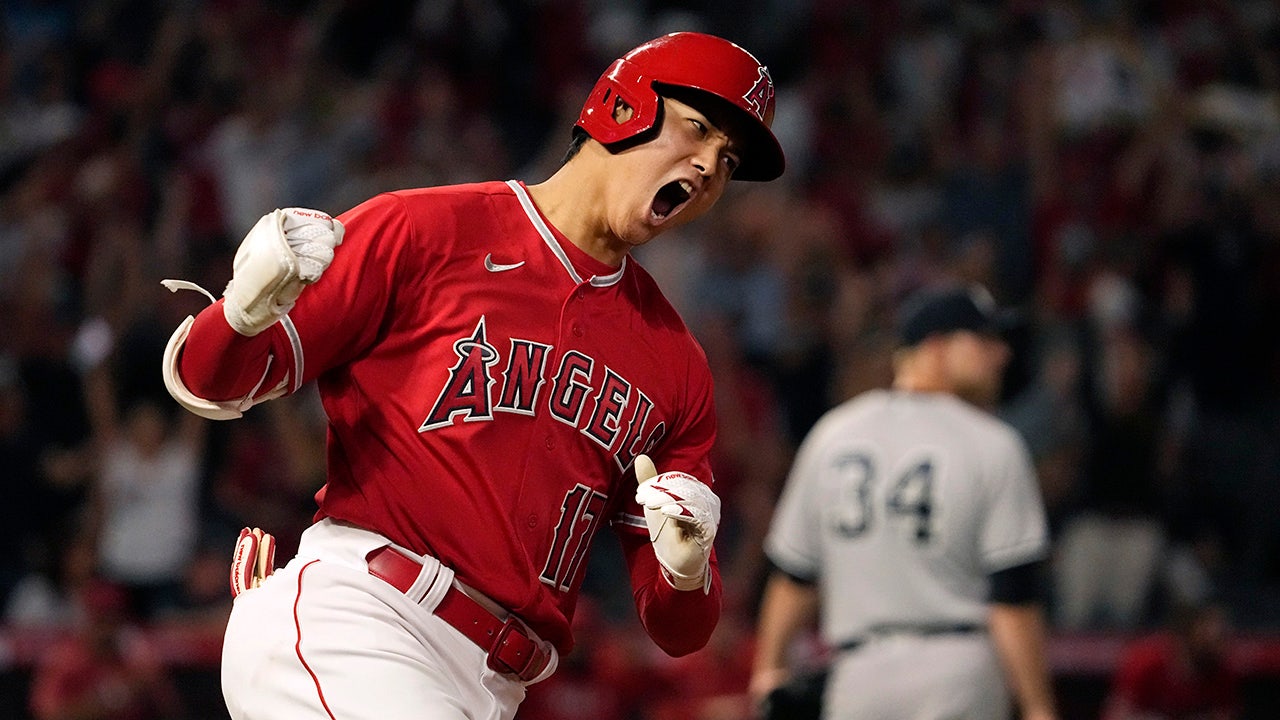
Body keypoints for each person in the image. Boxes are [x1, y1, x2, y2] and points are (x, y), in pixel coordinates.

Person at [160, 31, 785, 720]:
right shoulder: (428, 232)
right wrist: (241, 315)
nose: (706, 167)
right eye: (697, 129)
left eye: (726, 161)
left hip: (491, 687)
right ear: (621, 106)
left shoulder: (676, 363)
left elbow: (680, 630)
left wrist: (688, 568)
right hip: (363, 621)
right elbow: (209, 381)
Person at [750, 284, 1058, 720]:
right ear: (935, 348)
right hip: (959, 672)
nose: (1000, 354)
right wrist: (1038, 705)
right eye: (983, 339)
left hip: (859, 678)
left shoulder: (833, 434)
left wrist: (770, 666)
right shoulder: (994, 443)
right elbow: (1012, 599)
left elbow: (795, 575)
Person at [1100, 599, 1240, 720]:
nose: (1221, 640)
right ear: (1187, 631)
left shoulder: (1222, 670)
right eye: (1210, 631)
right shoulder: (1146, 660)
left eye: (1223, 633)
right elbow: (1115, 715)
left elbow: (1226, 713)